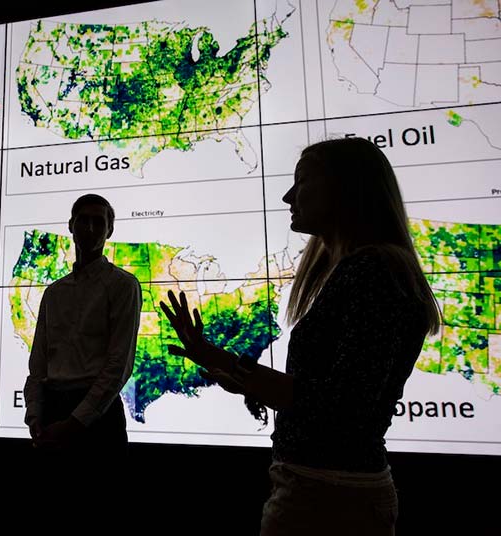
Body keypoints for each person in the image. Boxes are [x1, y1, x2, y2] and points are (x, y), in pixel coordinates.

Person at [161, 137, 440, 536]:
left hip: (330, 500)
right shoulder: (360, 270)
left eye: (303, 181)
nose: (288, 195)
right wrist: (235, 376)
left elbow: (338, 407)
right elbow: (325, 398)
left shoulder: (373, 273)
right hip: (322, 491)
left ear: (347, 189)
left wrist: (220, 359)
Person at [23, 193, 142, 465]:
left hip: (98, 421)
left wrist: (75, 423)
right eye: (83, 220)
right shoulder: (54, 293)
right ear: (70, 225)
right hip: (52, 413)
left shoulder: (123, 286)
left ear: (109, 230)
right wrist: (34, 415)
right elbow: (38, 365)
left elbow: (118, 366)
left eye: (98, 223)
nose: (90, 229)